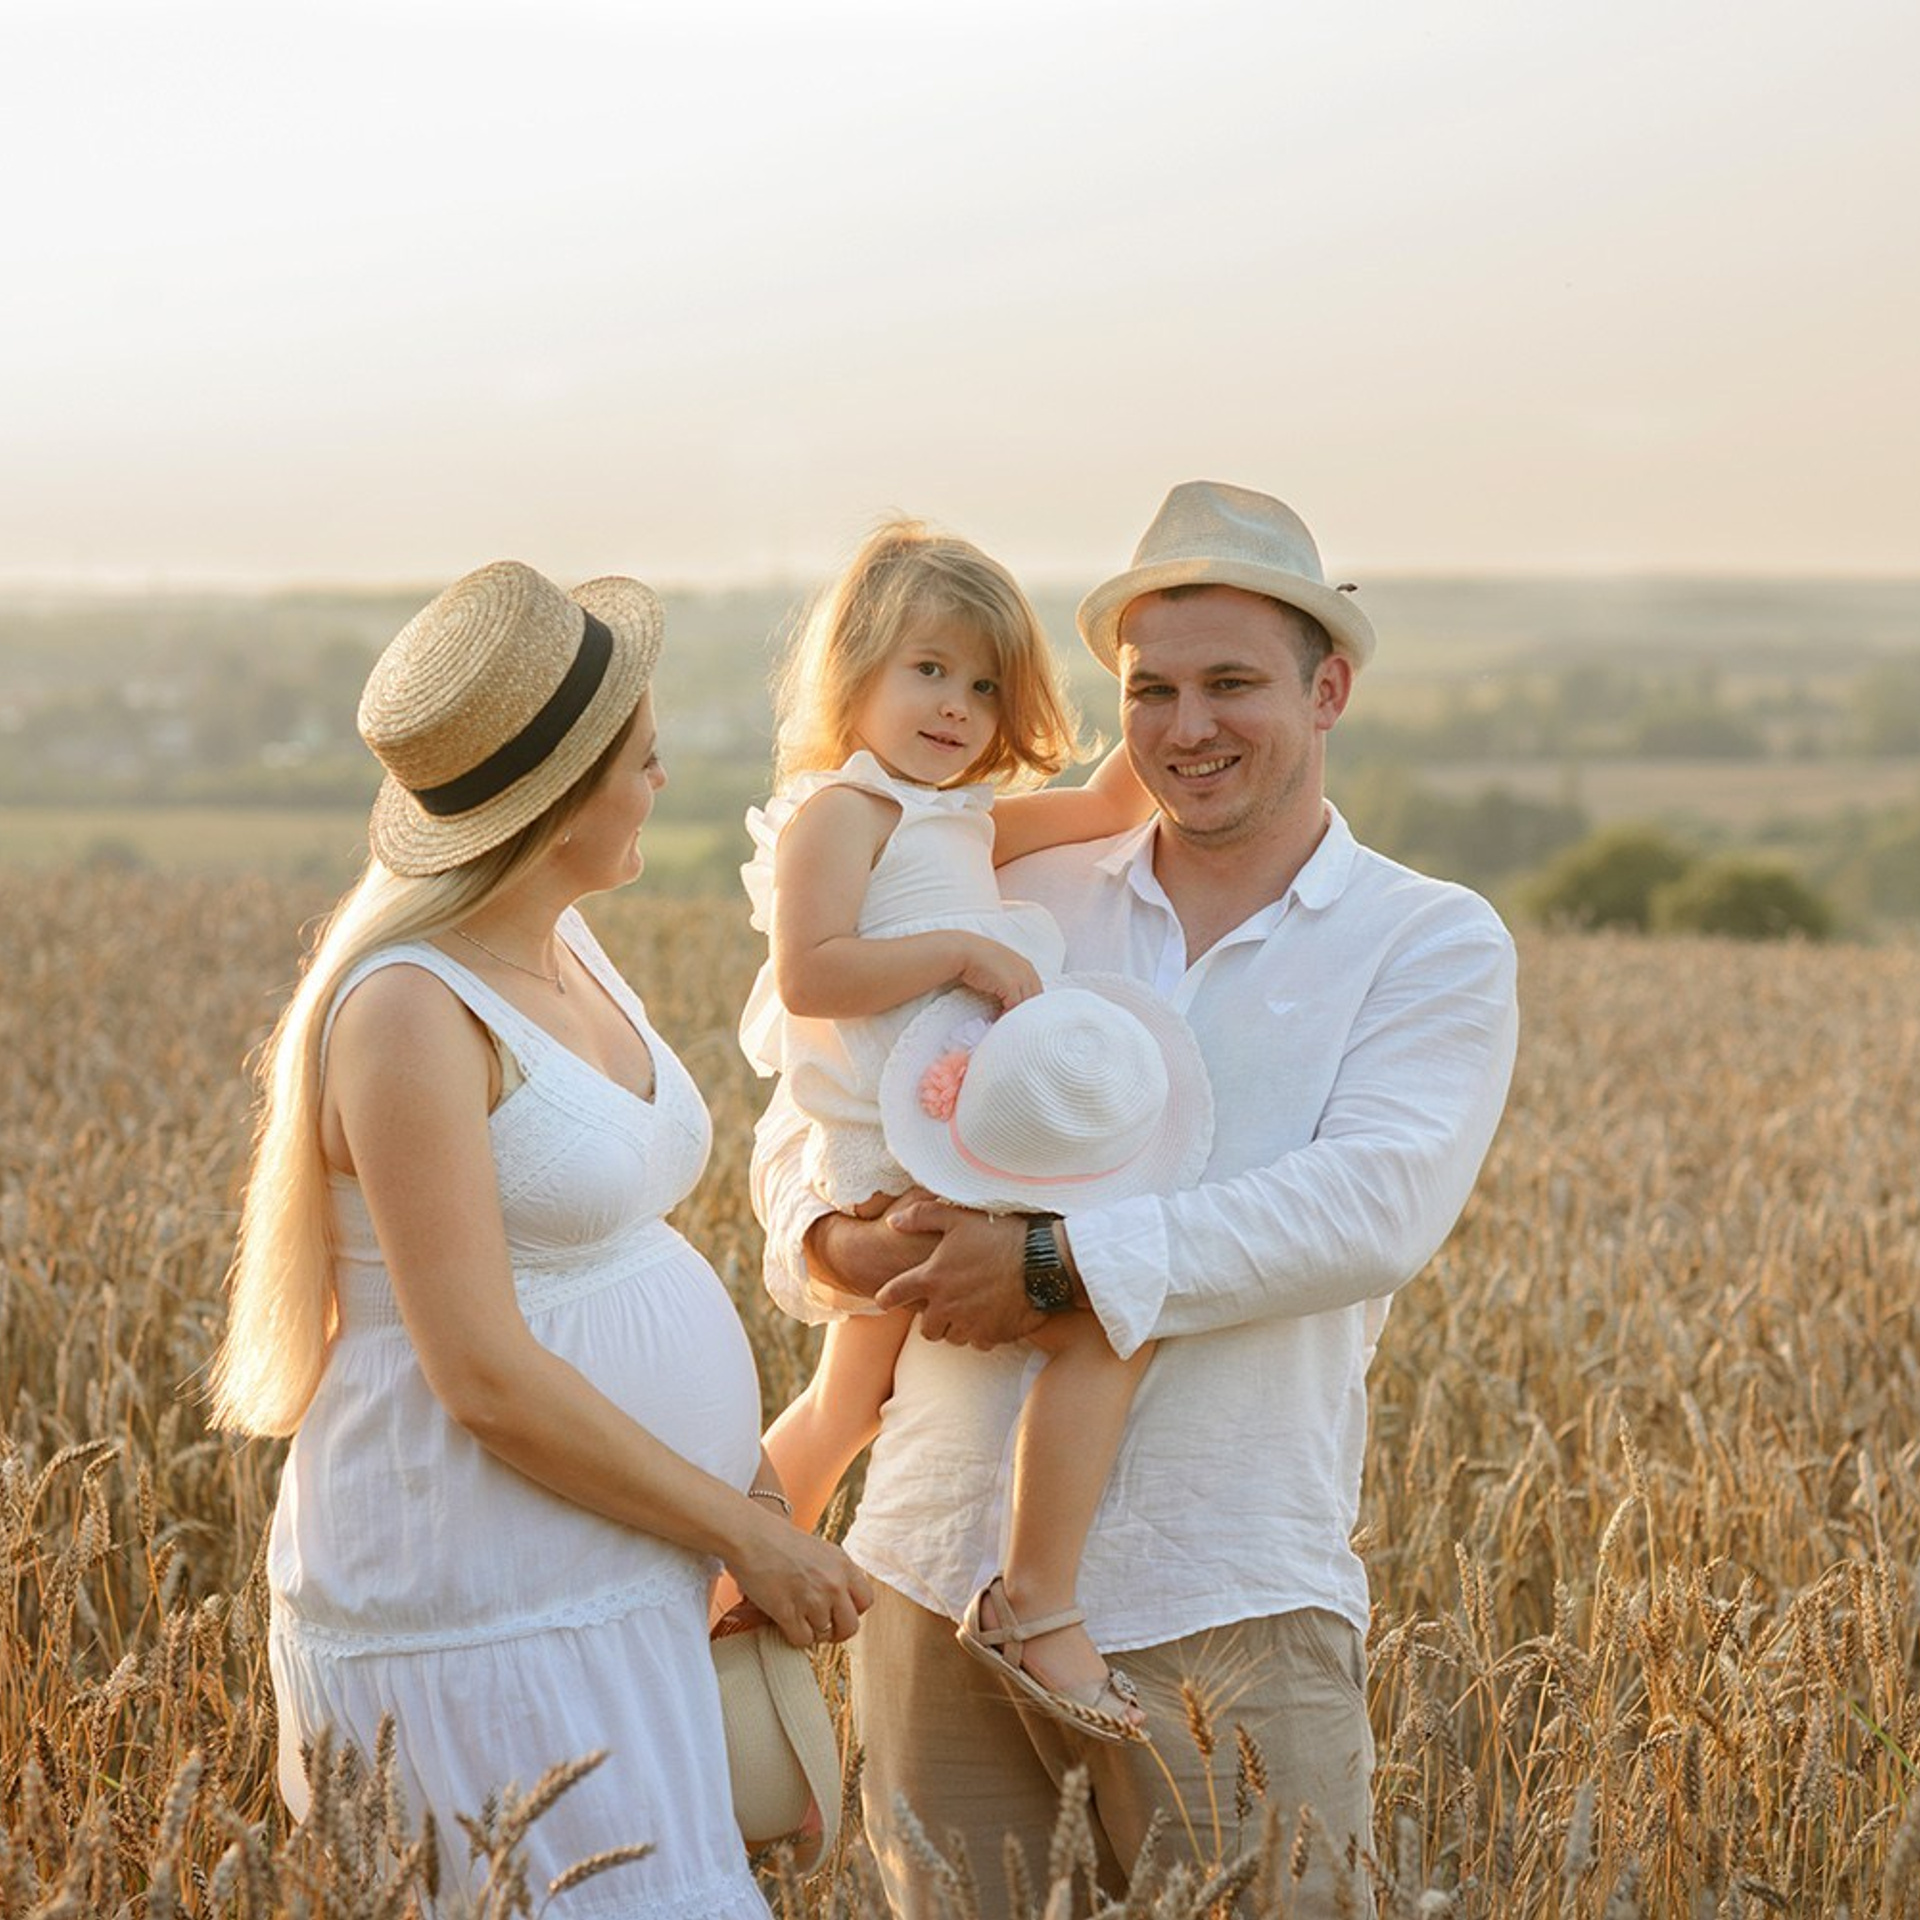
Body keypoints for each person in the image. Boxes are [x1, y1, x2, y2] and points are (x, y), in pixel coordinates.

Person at [750, 482, 1521, 1918]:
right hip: (931, 1568)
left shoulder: (1426, 941)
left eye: (1232, 683)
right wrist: (847, 1241)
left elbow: (1369, 1208)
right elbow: (813, 1109)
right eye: (1152, 691)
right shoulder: (1026, 888)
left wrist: (1051, 1264)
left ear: (1329, 686)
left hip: (1225, 1590)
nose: (1187, 726)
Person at [208, 560, 871, 1916]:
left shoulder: (565, 945)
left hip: (614, 1568)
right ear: (560, 800)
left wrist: (736, 1484)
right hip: (482, 1605)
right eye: (644, 761)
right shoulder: (406, 1012)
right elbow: (481, 1373)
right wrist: (748, 1537)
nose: (662, 785)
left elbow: (611, 1256)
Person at [735, 519, 1188, 1740]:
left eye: (986, 685)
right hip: (899, 1150)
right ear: (856, 673)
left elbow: (1101, 804)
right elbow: (810, 974)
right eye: (928, 670)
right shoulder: (848, 811)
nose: (957, 706)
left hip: (940, 1141)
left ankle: (731, 1583)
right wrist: (961, 949)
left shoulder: (963, 817)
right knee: (1104, 1314)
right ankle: (1028, 1603)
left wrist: (1151, 676)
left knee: (855, 1399)